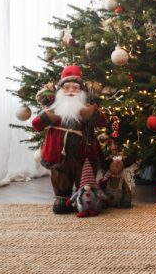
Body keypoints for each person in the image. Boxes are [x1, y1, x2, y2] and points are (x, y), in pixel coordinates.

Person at [31, 65, 106, 214]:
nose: (71, 91)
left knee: (84, 176)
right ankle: (61, 197)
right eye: (66, 87)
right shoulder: (54, 109)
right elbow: (36, 125)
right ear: (60, 91)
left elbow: (102, 122)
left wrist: (90, 115)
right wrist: (49, 116)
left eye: (75, 88)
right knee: (60, 174)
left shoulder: (87, 108)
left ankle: (84, 197)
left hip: (83, 155)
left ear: (82, 91)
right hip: (59, 155)